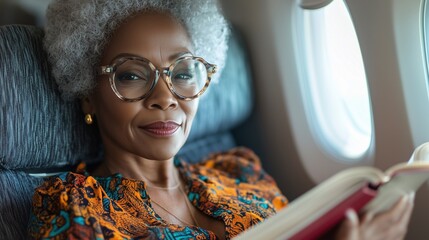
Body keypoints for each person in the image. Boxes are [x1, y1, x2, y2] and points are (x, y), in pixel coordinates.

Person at [28, 0, 414, 239]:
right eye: (131, 74)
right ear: (86, 97)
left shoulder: (240, 170)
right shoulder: (72, 206)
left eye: (181, 72)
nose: (165, 98)